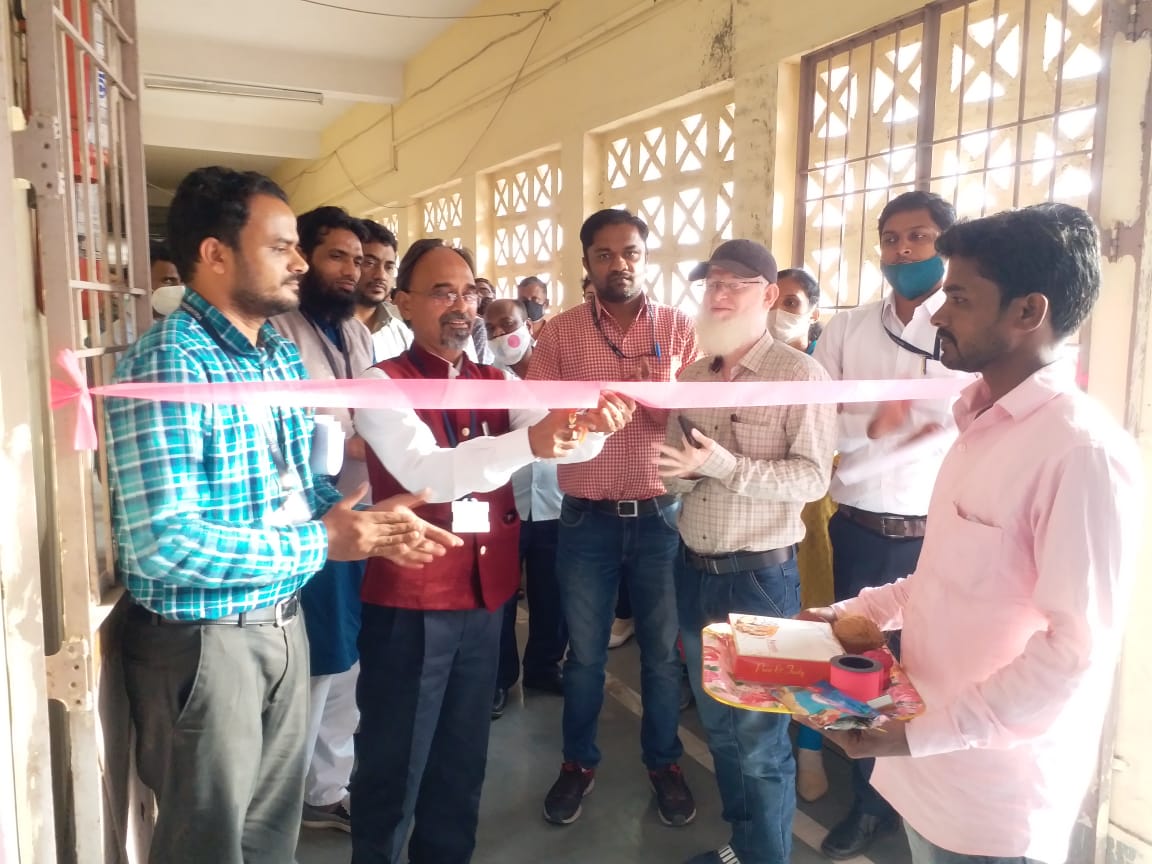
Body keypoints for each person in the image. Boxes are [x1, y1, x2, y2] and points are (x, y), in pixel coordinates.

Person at [105, 166, 457, 864]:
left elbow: (296, 487)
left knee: (270, 838)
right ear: (215, 254)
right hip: (206, 645)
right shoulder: (175, 365)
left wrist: (367, 523)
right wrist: (321, 542)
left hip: (279, 622)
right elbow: (162, 547)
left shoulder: (274, 357)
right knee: (207, 845)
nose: (299, 262)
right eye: (281, 246)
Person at [803, 203, 1143, 864]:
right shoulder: (981, 420)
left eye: (958, 296)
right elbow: (947, 571)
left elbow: (1072, 652)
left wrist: (917, 734)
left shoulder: (1079, 452)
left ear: (1027, 312)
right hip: (928, 765)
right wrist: (846, 615)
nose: (936, 312)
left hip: (991, 800)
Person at [350, 239, 633, 864]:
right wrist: (535, 438)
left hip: (485, 598)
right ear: (403, 302)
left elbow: (563, 440)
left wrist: (589, 428)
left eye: (470, 291)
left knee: (462, 759)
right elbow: (430, 475)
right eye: (442, 292)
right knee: (393, 764)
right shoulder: (380, 384)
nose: (461, 305)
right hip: (414, 598)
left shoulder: (496, 379)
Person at [657, 240, 836, 864]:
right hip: (694, 573)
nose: (719, 293)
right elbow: (679, 474)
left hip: (758, 581)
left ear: (767, 295)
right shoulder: (691, 377)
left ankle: (768, 856)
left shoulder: (800, 375)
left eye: (736, 283)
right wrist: (678, 473)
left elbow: (812, 479)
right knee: (720, 732)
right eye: (711, 283)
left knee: (760, 743)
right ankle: (744, 845)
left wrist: (720, 464)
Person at [528, 208, 700, 828]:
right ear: (586, 264)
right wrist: (588, 407)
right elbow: (541, 418)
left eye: (629, 252)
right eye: (604, 254)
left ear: (645, 257)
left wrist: (662, 392)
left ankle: (664, 762)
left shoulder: (681, 330)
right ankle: (578, 762)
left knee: (660, 655)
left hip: (660, 516)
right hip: (586, 520)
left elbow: (701, 418)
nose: (618, 264)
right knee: (586, 656)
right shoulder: (560, 334)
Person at [812, 190, 971, 859]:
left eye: (919, 238)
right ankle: (867, 804)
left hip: (937, 533)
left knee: (929, 678)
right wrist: (867, 425)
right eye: (891, 239)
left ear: (945, 245)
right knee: (860, 677)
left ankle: (925, 806)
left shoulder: (968, 324)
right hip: (859, 527)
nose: (902, 251)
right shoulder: (850, 327)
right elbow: (817, 412)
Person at [270, 205, 373, 833]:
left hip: (357, 513)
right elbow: (298, 431)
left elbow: (370, 414)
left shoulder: (353, 332)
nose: (350, 270)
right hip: (306, 520)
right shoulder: (279, 330)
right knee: (316, 665)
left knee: (346, 662)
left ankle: (327, 786)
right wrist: (368, 443)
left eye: (357, 260)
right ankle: (289, 799)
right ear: (304, 257)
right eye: (337, 256)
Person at [770, 266, 835, 801]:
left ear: (812, 313)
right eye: (774, 298)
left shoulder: (817, 367)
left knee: (814, 632)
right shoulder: (733, 367)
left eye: (792, 302)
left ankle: (809, 751)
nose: (779, 311)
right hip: (759, 526)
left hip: (819, 516)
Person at [486, 298, 568, 717]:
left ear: (529, 325)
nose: (504, 335)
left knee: (551, 593)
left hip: (556, 501)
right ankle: (499, 679)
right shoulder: (488, 383)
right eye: (494, 329)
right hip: (509, 504)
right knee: (500, 594)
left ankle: (544, 666)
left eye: (510, 324)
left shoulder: (558, 375)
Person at [351, 220, 408, 362]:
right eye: (369, 263)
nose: (381, 275)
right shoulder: (326, 329)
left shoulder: (400, 333)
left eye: (389, 267)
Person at [772, 268, 822, 354]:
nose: (776, 311)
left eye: (790, 302)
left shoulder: (826, 360)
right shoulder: (752, 359)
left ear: (814, 314)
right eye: (769, 303)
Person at [149, 240, 185, 318]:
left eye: (184, 281)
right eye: (168, 281)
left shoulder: (190, 327)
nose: (179, 287)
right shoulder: (124, 328)